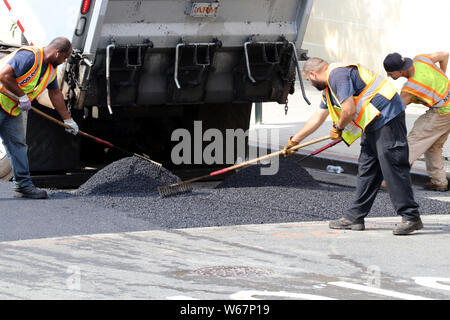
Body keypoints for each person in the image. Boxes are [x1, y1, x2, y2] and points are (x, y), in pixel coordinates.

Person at [283, 57, 423, 235]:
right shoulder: (329, 90)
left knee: (393, 167)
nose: (311, 84)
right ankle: (355, 217)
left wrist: (338, 128)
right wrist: (296, 140)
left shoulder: (338, 75)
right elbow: (318, 116)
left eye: (309, 81)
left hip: (388, 118)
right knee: (367, 170)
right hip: (372, 123)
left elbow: (348, 110)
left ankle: (411, 217)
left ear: (313, 74)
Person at [0, 37, 79, 199]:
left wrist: (68, 120)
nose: (64, 61)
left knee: (18, 146)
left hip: (11, 110)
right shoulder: (29, 56)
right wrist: (22, 97)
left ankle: (23, 186)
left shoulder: (50, 70)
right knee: (18, 145)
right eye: (65, 57)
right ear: (57, 53)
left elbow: (55, 94)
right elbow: (4, 75)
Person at [383, 52, 450, 191]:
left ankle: (393, 181)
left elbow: (395, 111)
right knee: (433, 146)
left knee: (413, 142)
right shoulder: (421, 59)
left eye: (390, 73)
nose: (388, 76)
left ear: (400, 71)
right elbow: (445, 55)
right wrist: (442, 76)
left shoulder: (411, 87)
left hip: (442, 112)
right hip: (447, 109)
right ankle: (439, 181)